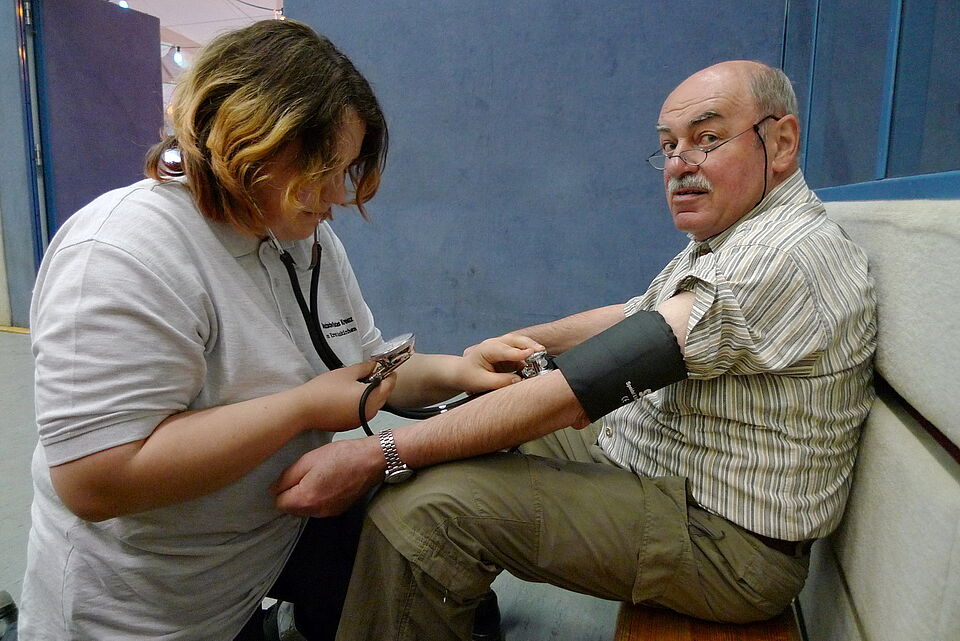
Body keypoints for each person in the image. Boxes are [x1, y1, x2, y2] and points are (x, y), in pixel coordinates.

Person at [266, 60, 877, 640]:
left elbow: (581, 388)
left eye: (707, 139)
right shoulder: (743, 234)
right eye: (668, 146)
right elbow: (636, 316)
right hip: (664, 458)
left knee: (428, 511)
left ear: (782, 142)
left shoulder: (780, 257)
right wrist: (515, 343)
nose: (678, 165)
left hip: (726, 543)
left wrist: (377, 452)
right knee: (466, 434)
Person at [19, 20, 540, 641]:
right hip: (153, 600)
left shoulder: (300, 237)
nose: (337, 195)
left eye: (345, 169)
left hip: (271, 538)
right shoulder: (123, 253)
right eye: (322, 169)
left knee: (446, 567)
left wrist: (460, 369)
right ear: (244, 139)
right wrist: (303, 409)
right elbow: (96, 481)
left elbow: (361, 366)